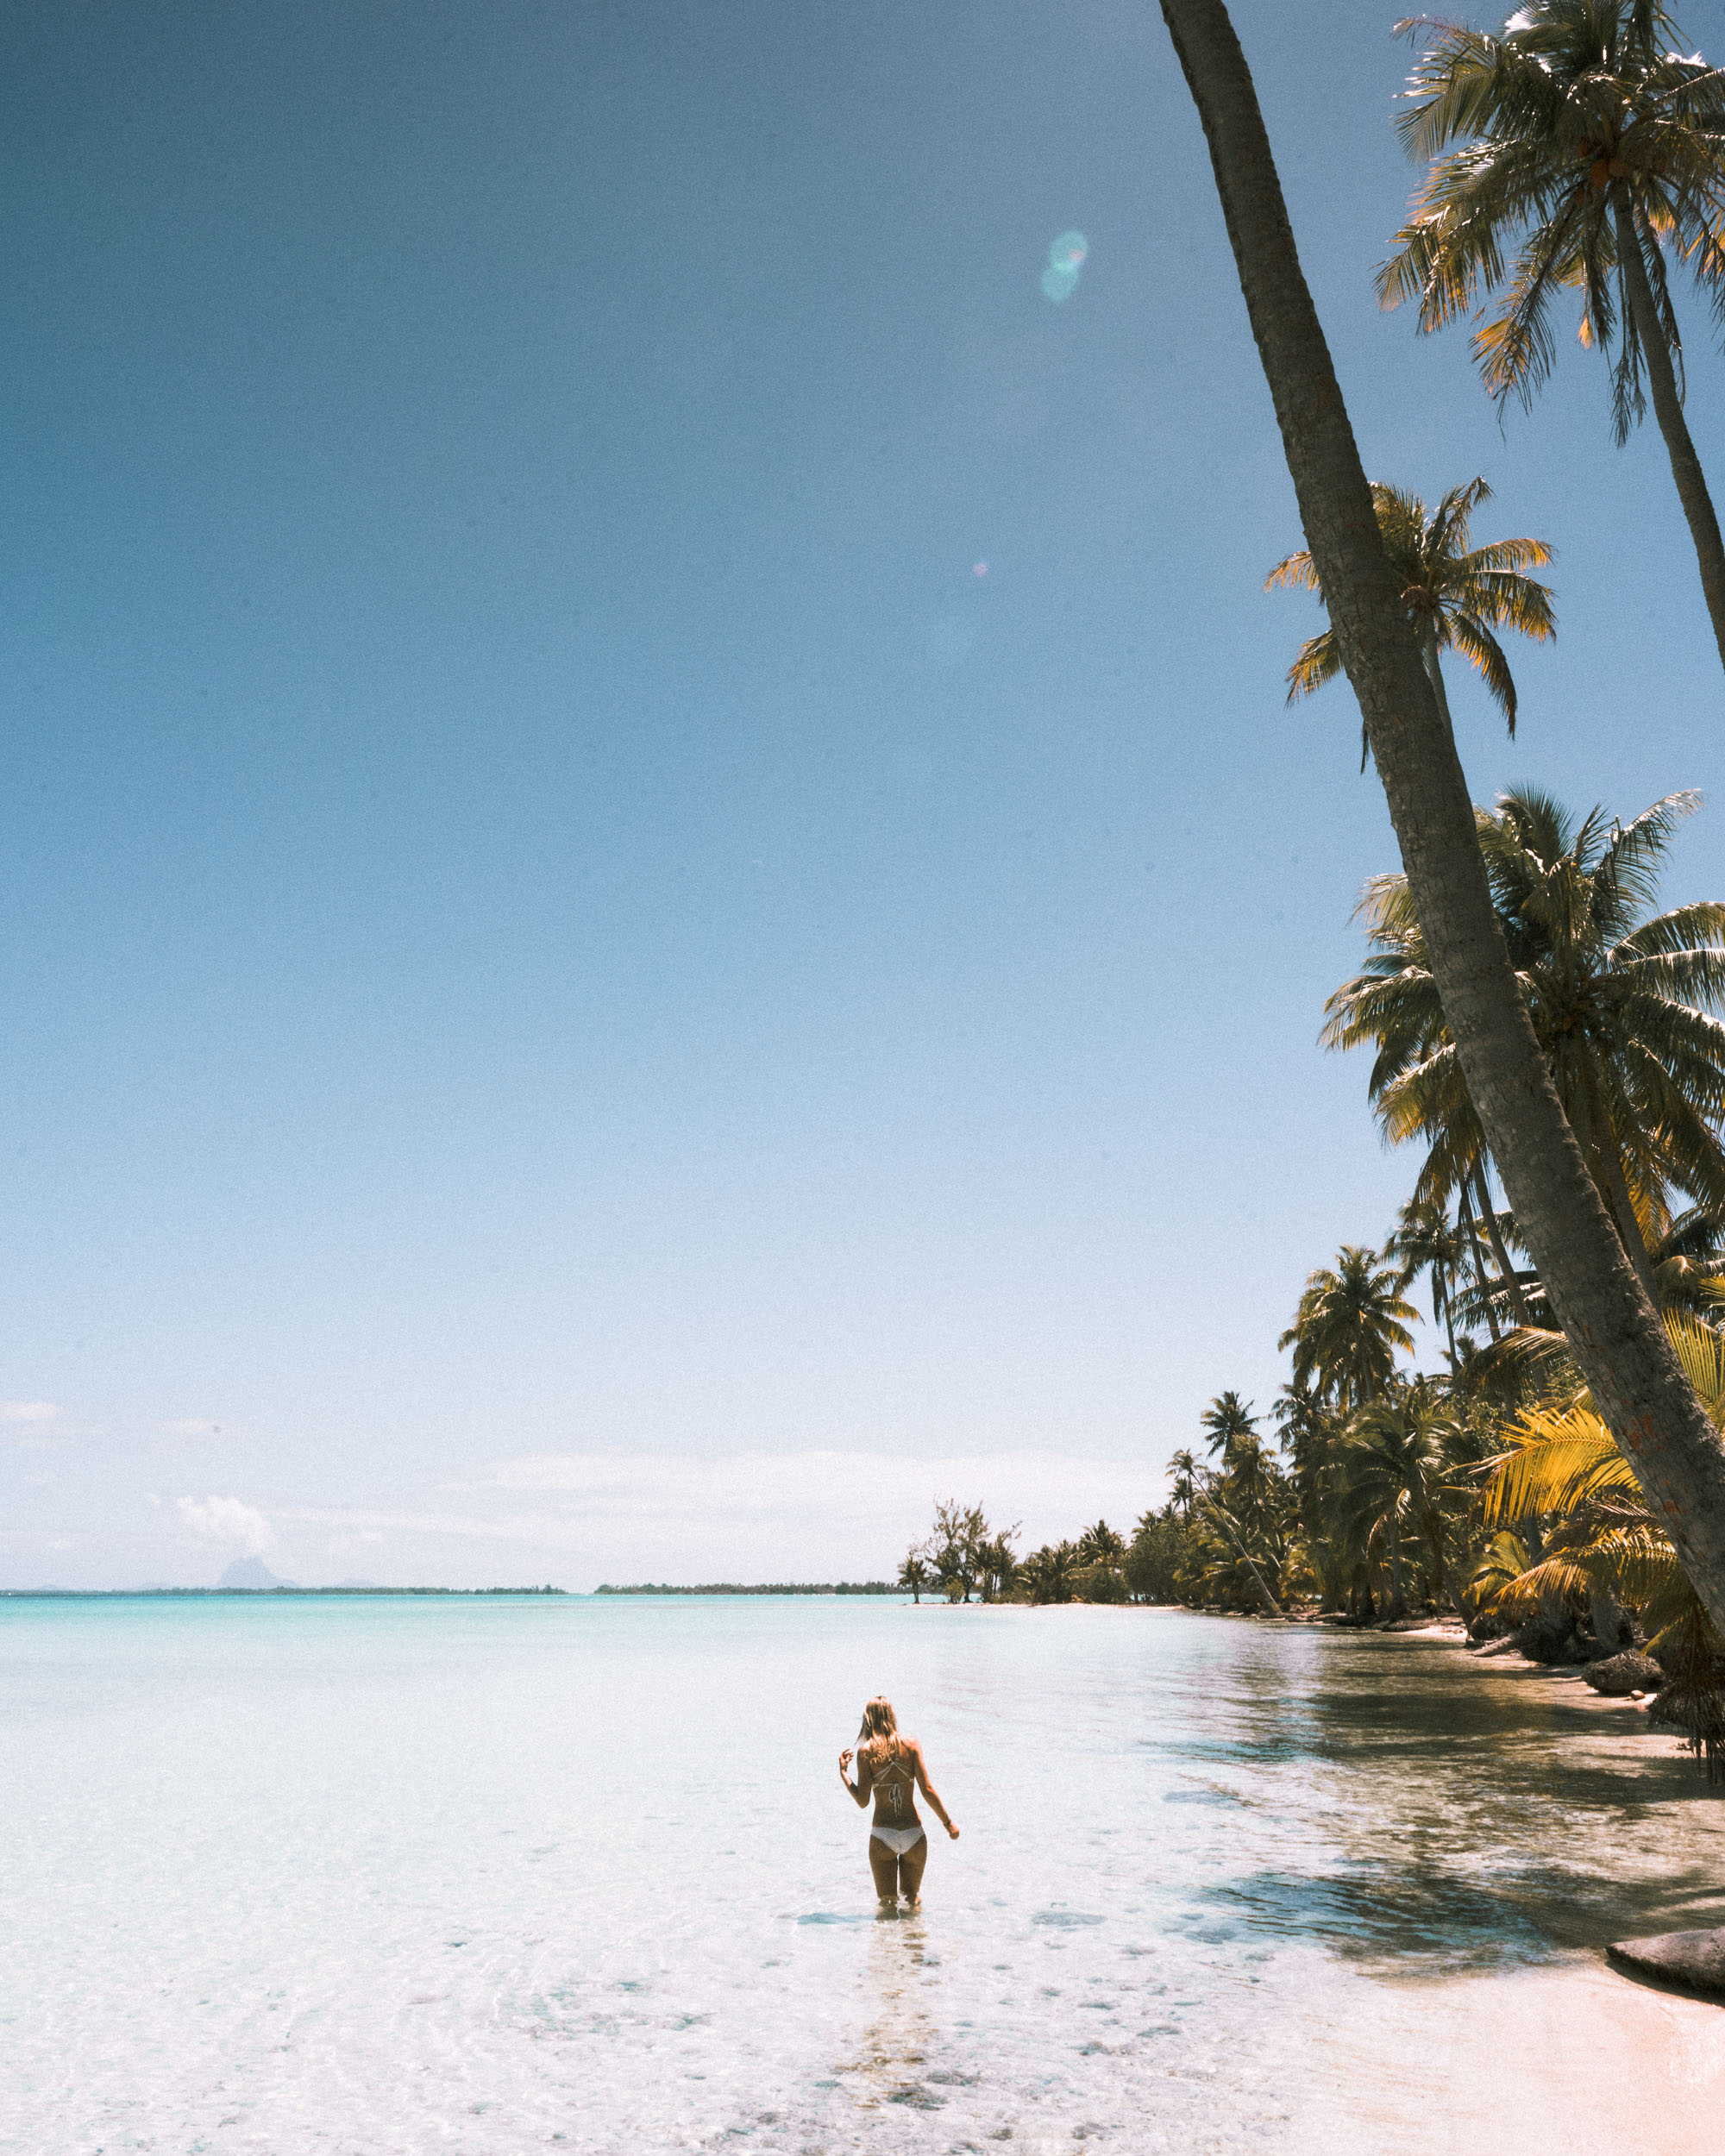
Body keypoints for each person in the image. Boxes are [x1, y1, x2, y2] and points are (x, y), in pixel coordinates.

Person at [837, 1695, 958, 1910]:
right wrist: (948, 1824)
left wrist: (844, 1773)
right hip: (914, 1834)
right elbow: (928, 1790)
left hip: (883, 1835)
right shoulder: (911, 1745)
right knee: (913, 1899)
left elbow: (863, 1801)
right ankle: (916, 1941)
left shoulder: (866, 1752)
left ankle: (888, 1943)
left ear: (868, 1720)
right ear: (892, 1717)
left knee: (887, 1904)